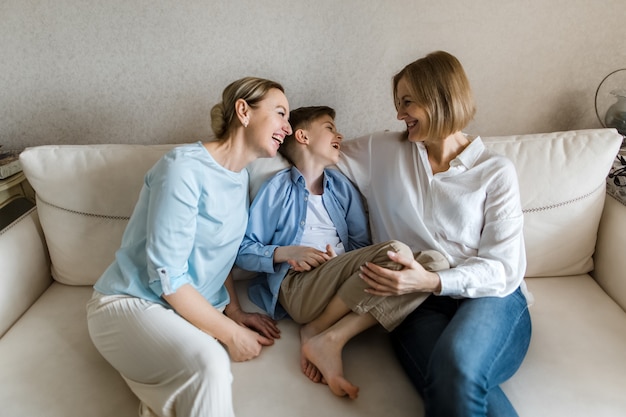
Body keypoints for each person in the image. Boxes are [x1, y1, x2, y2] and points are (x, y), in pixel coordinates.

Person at [338, 51, 532, 416]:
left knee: (458, 365)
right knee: (453, 379)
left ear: (441, 98)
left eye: (408, 102)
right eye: (397, 104)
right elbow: (315, 151)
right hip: (413, 305)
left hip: (491, 298)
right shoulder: (381, 150)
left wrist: (430, 280)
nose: (398, 114)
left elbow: (503, 269)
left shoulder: (495, 171)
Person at [86, 77, 290, 417]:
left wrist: (234, 312)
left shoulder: (240, 178)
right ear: (244, 110)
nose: (287, 127)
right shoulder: (182, 167)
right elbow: (168, 276)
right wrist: (231, 335)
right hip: (129, 303)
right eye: (281, 113)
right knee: (211, 363)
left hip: (182, 314)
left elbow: (217, 257)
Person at [235, 106, 449, 400]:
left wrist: (341, 263)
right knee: (397, 252)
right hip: (301, 287)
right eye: (329, 127)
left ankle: (328, 337)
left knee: (436, 263)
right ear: (303, 136)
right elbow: (244, 250)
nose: (340, 134)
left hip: (342, 282)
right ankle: (316, 330)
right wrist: (287, 253)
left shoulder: (341, 188)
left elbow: (361, 247)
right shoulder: (278, 189)